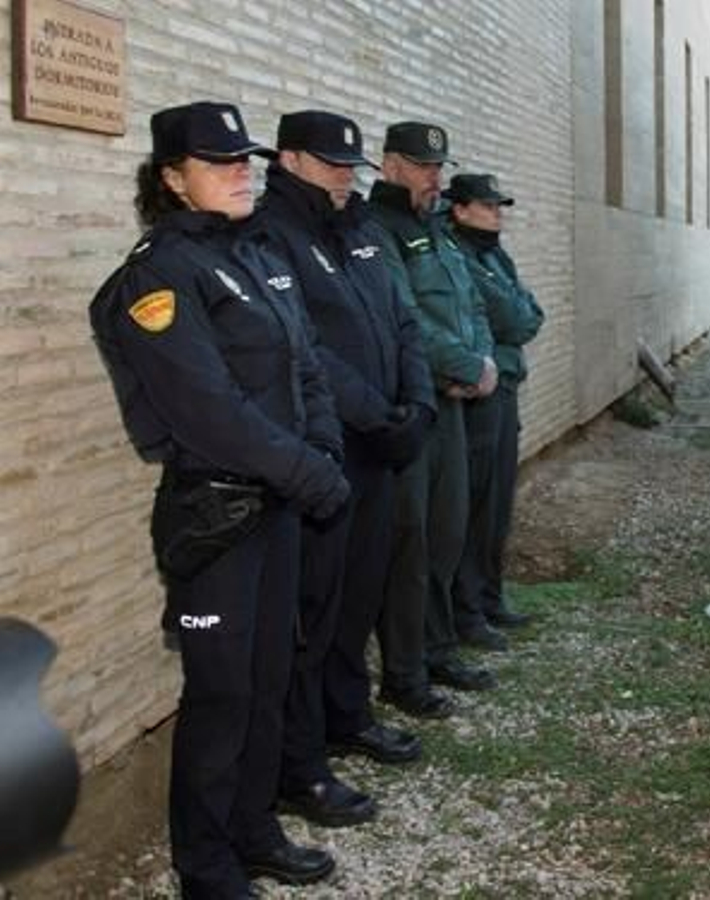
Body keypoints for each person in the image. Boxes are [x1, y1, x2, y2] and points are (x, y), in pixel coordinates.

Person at [88, 101, 346, 896]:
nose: (241, 171)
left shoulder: (256, 253)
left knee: (270, 678)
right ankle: (204, 865)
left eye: (244, 159)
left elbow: (305, 366)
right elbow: (209, 411)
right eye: (218, 161)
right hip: (218, 516)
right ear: (171, 178)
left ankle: (253, 826)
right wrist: (310, 471)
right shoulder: (157, 278)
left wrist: (324, 450)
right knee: (223, 693)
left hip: (278, 507)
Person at [254, 109, 438, 827]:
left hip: (384, 444)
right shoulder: (272, 232)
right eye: (329, 161)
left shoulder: (357, 227)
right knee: (315, 608)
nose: (342, 174)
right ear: (289, 159)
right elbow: (302, 349)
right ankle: (301, 760)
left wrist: (416, 403)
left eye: (349, 164)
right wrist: (375, 415)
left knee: (359, 594)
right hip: (330, 450)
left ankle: (347, 713)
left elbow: (400, 321)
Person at [368, 120, 500, 710]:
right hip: (414, 404)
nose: (434, 178)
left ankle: (439, 645)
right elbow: (403, 318)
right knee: (412, 542)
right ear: (391, 164)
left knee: (447, 530)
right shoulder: (381, 229)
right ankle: (407, 670)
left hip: (451, 400)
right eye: (423, 167)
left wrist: (483, 361)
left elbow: (470, 305)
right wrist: (464, 365)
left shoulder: (437, 232)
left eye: (439, 168)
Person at [444, 173, 545, 638]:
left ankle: (489, 596)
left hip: (503, 387)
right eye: (487, 206)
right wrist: (515, 313)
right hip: (481, 395)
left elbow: (528, 316)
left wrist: (516, 313)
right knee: (477, 506)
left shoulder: (492, 253)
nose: (496, 214)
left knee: (499, 502)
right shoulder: (458, 256)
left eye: (498, 206)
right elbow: (507, 316)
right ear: (460, 210)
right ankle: (467, 608)